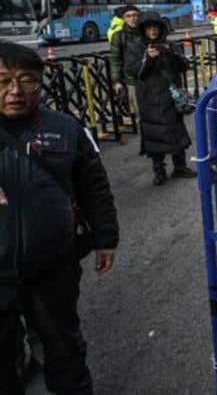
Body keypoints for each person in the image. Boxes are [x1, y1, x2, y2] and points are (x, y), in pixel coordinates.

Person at [0, 40, 119, 394]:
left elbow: (94, 186)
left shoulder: (66, 127)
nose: (15, 91)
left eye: (27, 80)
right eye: (3, 80)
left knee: (64, 348)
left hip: (53, 264)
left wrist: (106, 238)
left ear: (41, 82)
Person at [123, 12, 197, 186]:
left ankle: (180, 166)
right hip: (149, 98)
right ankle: (159, 170)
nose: (152, 30)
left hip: (171, 95)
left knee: (176, 130)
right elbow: (133, 71)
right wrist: (148, 58)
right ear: (143, 30)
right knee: (153, 135)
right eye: (149, 27)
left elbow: (184, 66)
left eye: (155, 27)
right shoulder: (135, 48)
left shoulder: (170, 45)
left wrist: (170, 54)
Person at [108, 5, 141, 115]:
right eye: (128, 16)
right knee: (139, 112)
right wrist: (116, 81)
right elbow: (115, 59)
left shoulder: (145, 32)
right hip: (132, 80)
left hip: (150, 78)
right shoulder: (119, 36)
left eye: (135, 15)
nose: (132, 18)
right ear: (123, 18)